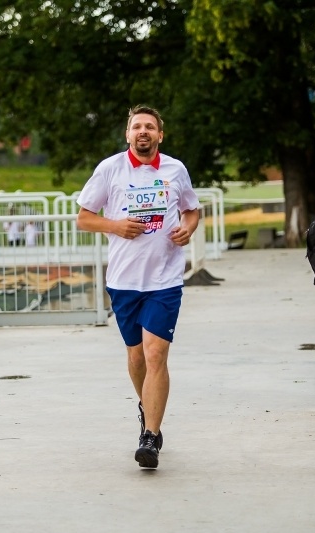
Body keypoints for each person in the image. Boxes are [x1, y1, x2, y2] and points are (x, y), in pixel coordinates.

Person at [76, 105, 200, 469]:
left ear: (160, 134)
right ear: (128, 134)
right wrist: (115, 226)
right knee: (136, 357)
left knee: (155, 354)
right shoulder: (110, 169)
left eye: (149, 126)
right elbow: (84, 218)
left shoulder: (175, 169)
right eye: (136, 126)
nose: (143, 131)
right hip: (124, 281)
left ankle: (150, 436)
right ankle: (148, 408)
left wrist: (188, 229)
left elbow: (192, 210)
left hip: (165, 279)